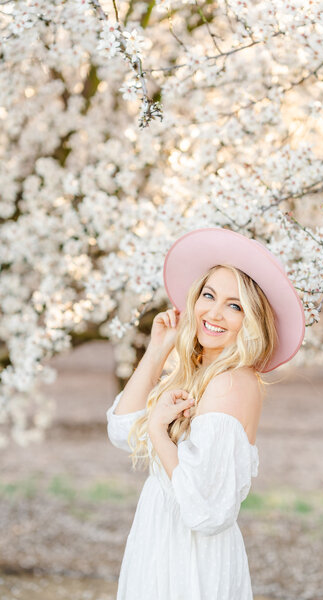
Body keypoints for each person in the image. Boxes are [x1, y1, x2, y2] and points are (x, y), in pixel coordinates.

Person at [106, 227, 305, 600]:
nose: (214, 312)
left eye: (234, 305)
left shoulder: (229, 383)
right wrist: (158, 350)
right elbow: (120, 429)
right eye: (208, 295)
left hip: (190, 561)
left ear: (252, 319)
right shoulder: (199, 373)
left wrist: (158, 431)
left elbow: (206, 511)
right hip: (161, 543)